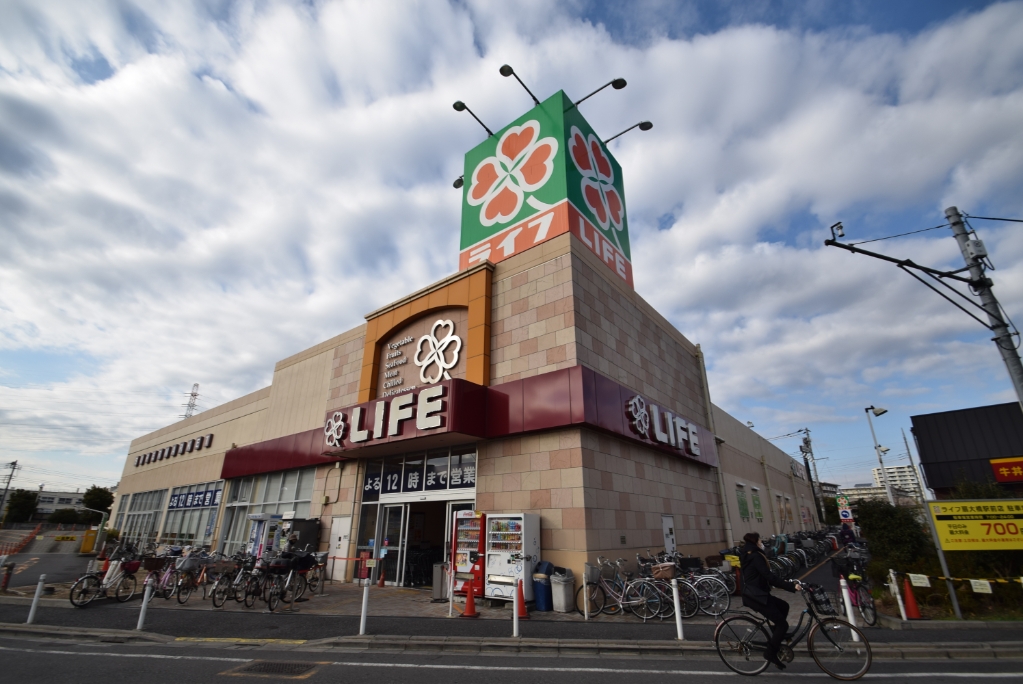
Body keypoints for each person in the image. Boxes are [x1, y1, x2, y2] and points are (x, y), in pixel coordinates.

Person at [740, 531, 801, 671]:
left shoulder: (750, 554)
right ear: (755, 542)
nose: (762, 543)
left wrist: (784, 583)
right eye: (760, 541)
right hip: (756, 596)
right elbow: (769, 576)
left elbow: (766, 577)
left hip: (757, 594)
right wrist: (790, 586)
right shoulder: (755, 556)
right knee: (783, 625)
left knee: (784, 606)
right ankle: (770, 653)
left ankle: (777, 637)